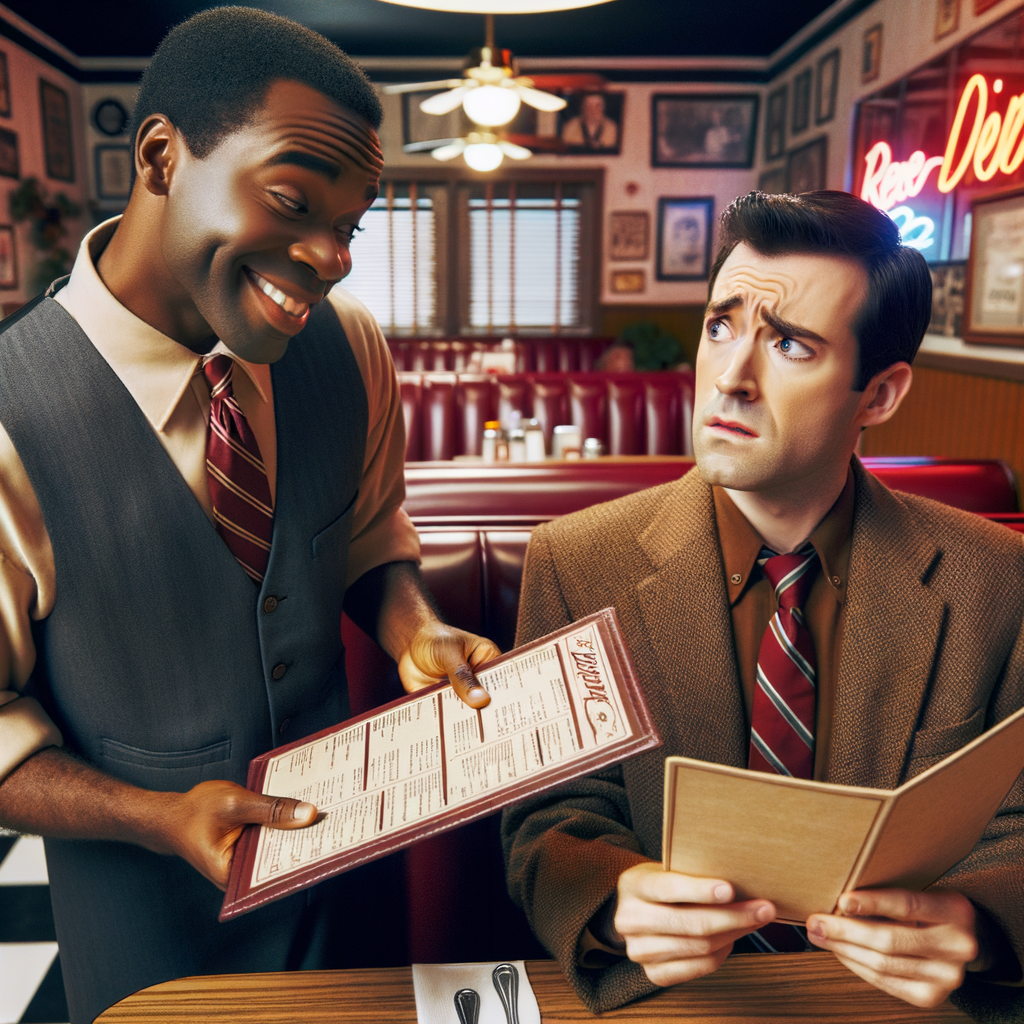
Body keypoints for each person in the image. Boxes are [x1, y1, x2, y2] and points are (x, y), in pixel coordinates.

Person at [0, 9, 499, 1023]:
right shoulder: (10, 416)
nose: (333, 255)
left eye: (351, 224)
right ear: (159, 158)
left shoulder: (348, 345)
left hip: (351, 880)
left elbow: (367, 536)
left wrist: (415, 629)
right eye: (292, 200)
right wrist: (154, 816)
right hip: (151, 928)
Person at [503, 191, 1024, 1019]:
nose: (732, 378)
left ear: (880, 395)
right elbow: (551, 818)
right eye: (721, 326)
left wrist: (979, 923)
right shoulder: (575, 560)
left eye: (789, 344)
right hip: (672, 1003)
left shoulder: (997, 577)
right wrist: (616, 897)